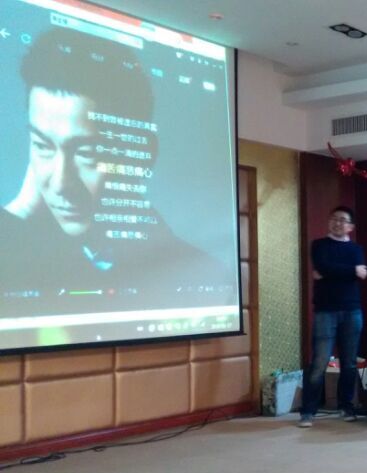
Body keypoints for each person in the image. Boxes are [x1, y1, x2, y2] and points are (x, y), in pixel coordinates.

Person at [0, 27, 226, 316]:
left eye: (87, 153)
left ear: (143, 154)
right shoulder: (20, 255)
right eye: (43, 146)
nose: (60, 183)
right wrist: (20, 210)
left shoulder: (199, 272)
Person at [299, 206, 367, 427]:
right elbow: (323, 266)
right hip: (325, 311)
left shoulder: (356, 249)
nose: (338, 223)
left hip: (352, 311)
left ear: (350, 226)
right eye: (334, 219)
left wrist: (329, 272)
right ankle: (308, 411)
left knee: (349, 363)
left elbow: (334, 271)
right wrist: (352, 271)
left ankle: (346, 406)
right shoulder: (319, 245)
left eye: (343, 220)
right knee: (319, 362)